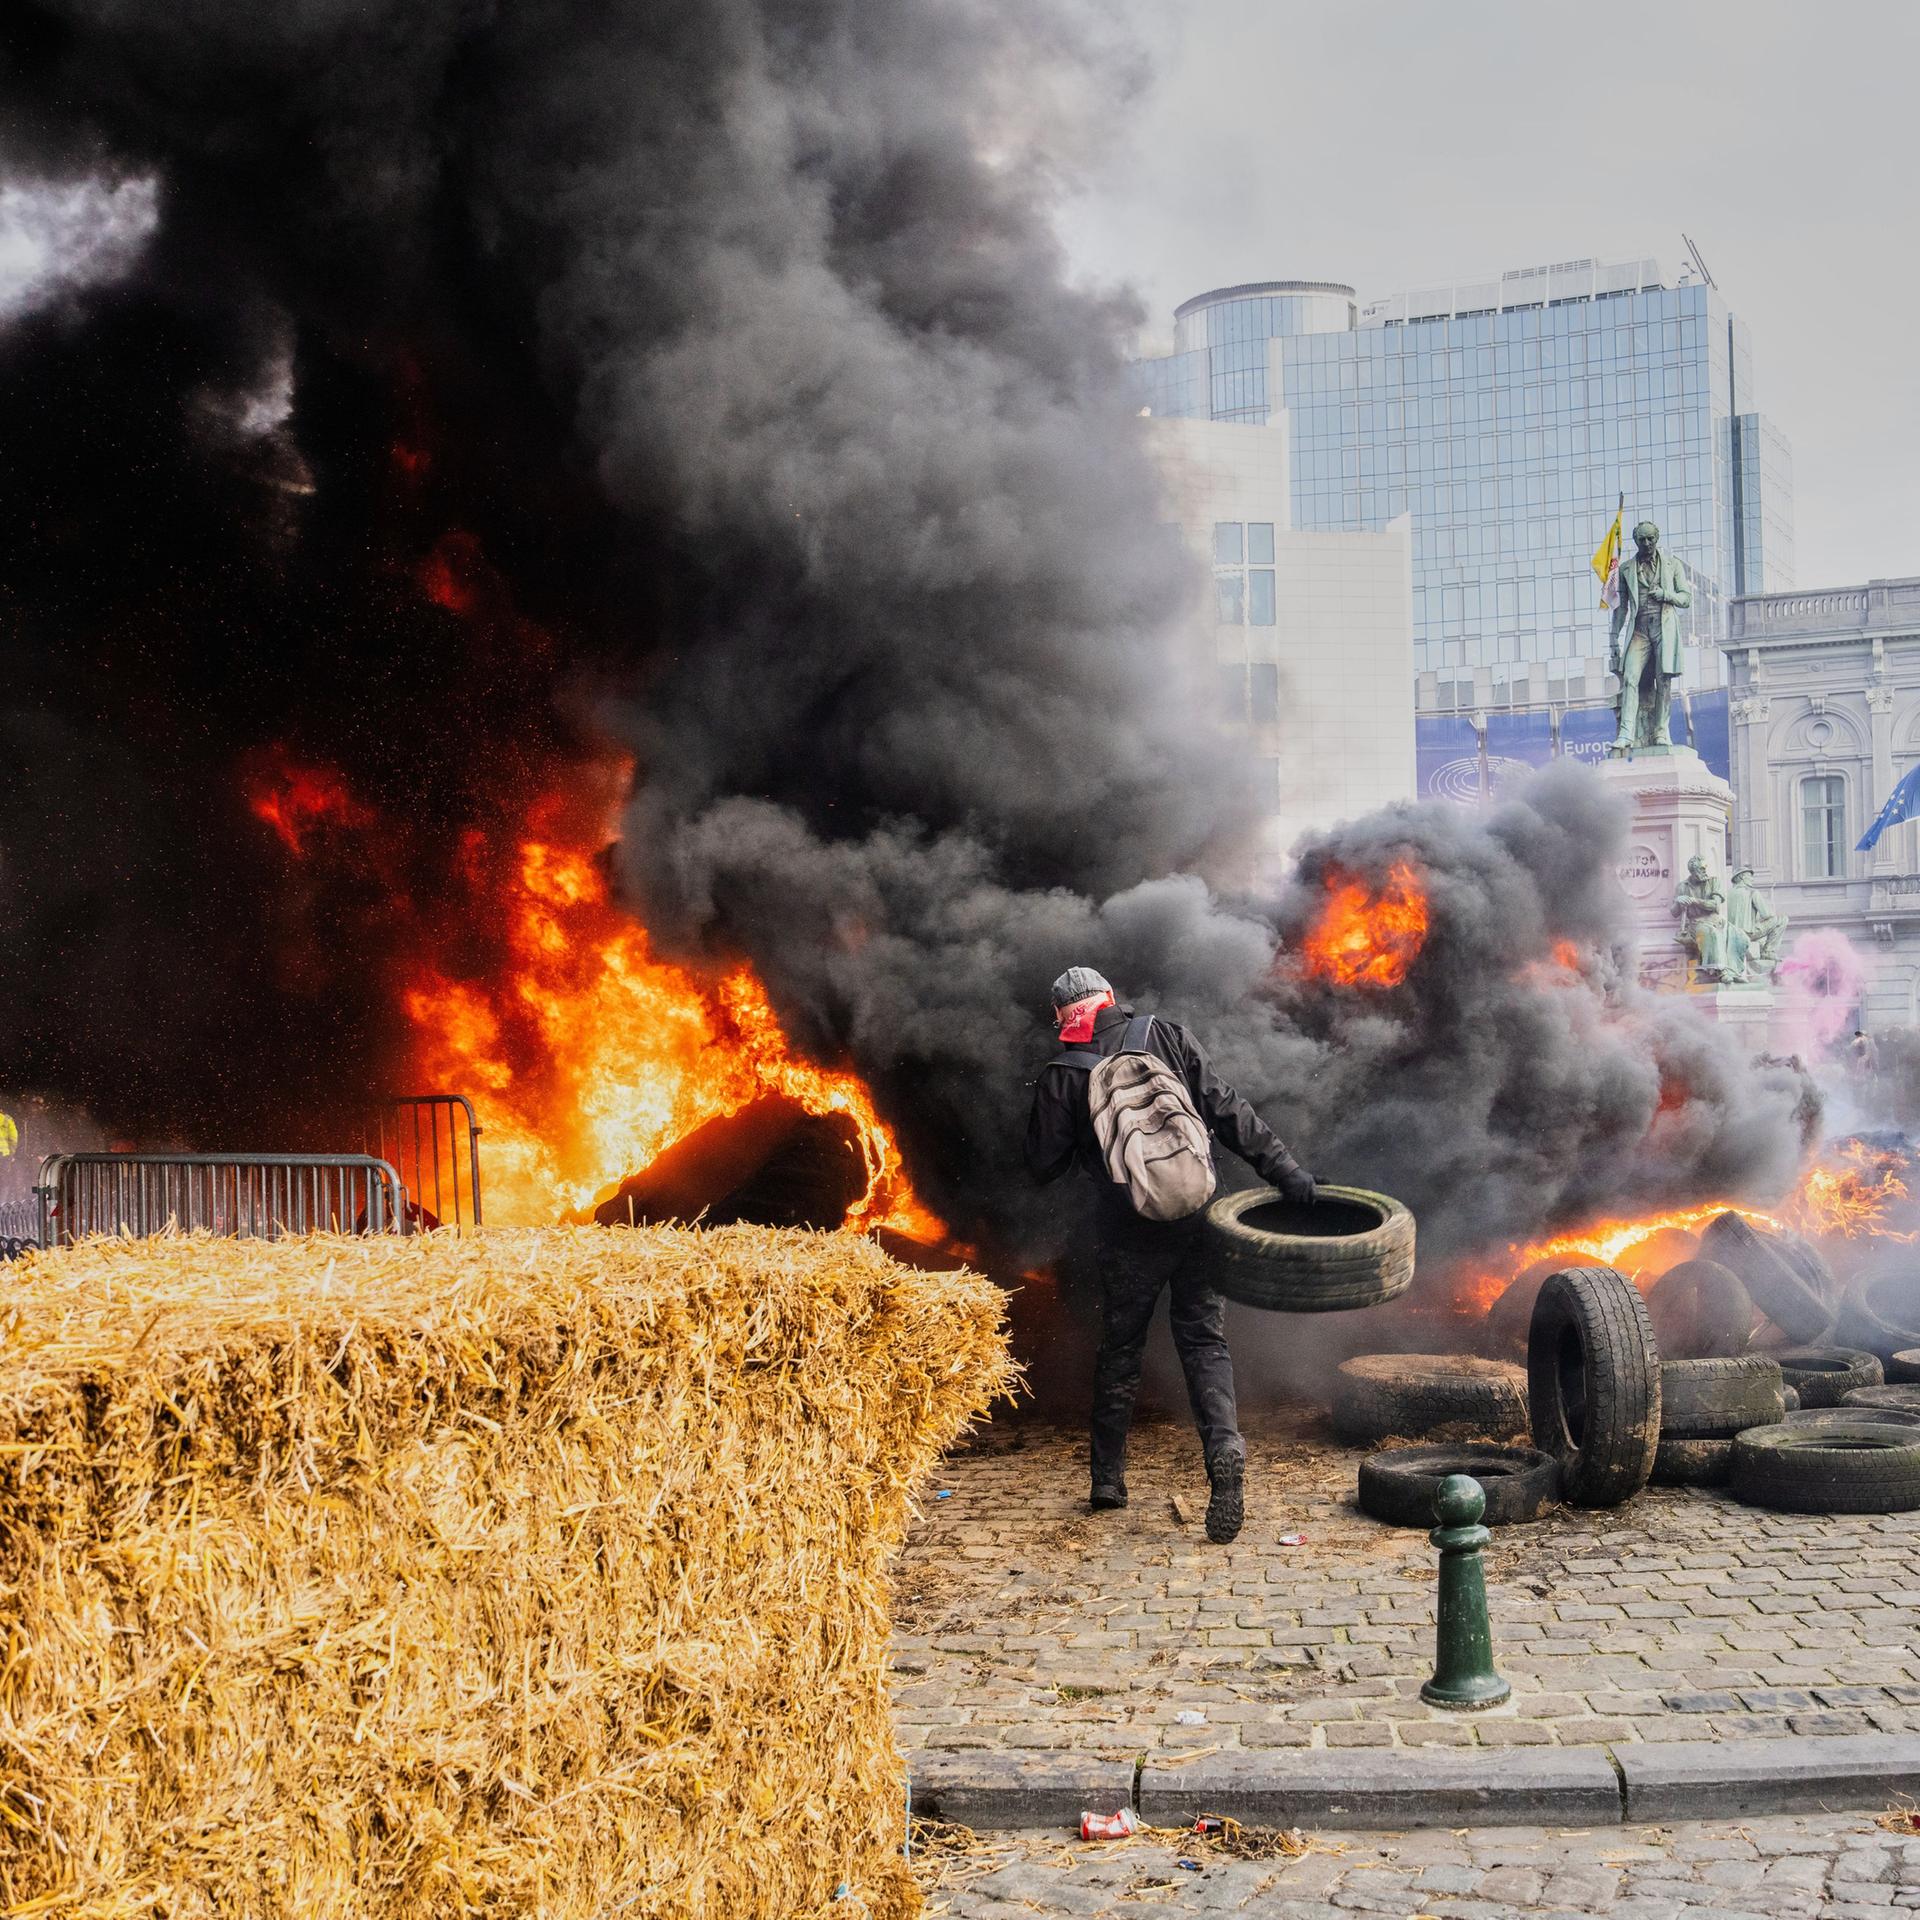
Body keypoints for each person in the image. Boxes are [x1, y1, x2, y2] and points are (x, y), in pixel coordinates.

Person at [1024, 966, 1315, 1544]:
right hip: (1199, 1217)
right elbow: (1228, 1110)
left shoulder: (1063, 1072)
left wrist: (1078, 1126)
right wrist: (1288, 1173)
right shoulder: (1166, 1035)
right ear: (1110, 1000)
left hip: (1127, 1231)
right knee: (1204, 1341)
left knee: (1121, 1349)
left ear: (1067, 1015)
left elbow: (1041, 1164)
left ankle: (1108, 1481)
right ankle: (1225, 1450)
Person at [1608, 520, 1692, 753]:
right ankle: (1626, 733)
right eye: (1642, 539)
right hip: (1639, 630)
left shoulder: (1672, 565)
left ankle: (1661, 731)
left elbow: (1686, 598)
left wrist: (1666, 594)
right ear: (1635, 541)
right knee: (1630, 678)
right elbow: (1621, 608)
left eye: (1650, 539)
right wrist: (1613, 638)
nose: (1646, 543)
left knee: (1663, 679)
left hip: (1664, 628)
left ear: (1657, 538)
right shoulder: (1626, 569)